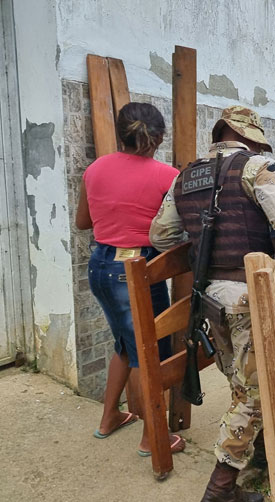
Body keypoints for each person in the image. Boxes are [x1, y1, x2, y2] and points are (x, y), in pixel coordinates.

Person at [150, 105, 275, 502]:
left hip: (208, 297)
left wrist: (199, 244)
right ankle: (220, 491)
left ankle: (259, 450)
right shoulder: (256, 166)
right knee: (256, 391)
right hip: (249, 298)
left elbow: (160, 236)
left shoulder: (185, 176)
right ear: (248, 137)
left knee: (241, 381)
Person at [75, 102, 185, 457]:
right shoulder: (168, 176)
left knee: (125, 343)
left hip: (100, 267)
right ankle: (154, 436)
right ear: (160, 138)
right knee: (151, 353)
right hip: (140, 270)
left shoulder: (93, 170)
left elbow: (82, 222)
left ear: (121, 134)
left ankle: (109, 419)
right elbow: (175, 231)